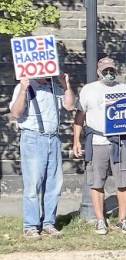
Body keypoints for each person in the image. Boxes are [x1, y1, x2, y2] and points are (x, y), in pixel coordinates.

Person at [73, 57, 126, 235]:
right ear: (98, 71)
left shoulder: (123, 88)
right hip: (97, 141)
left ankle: (122, 220)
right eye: (105, 71)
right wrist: (76, 141)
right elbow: (79, 117)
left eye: (111, 70)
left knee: (123, 181)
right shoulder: (89, 90)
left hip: (120, 141)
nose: (109, 74)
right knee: (97, 182)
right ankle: (100, 220)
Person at [9, 74, 76, 239]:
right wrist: (24, 89)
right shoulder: (25, 85)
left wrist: (65, 84)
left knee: (54, 184)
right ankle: (31, 226)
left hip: (53, 138)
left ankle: (48, 223)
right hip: (33, 138)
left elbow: (69, 105)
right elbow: (16, 113)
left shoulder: (54, 86)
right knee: (33, 184)